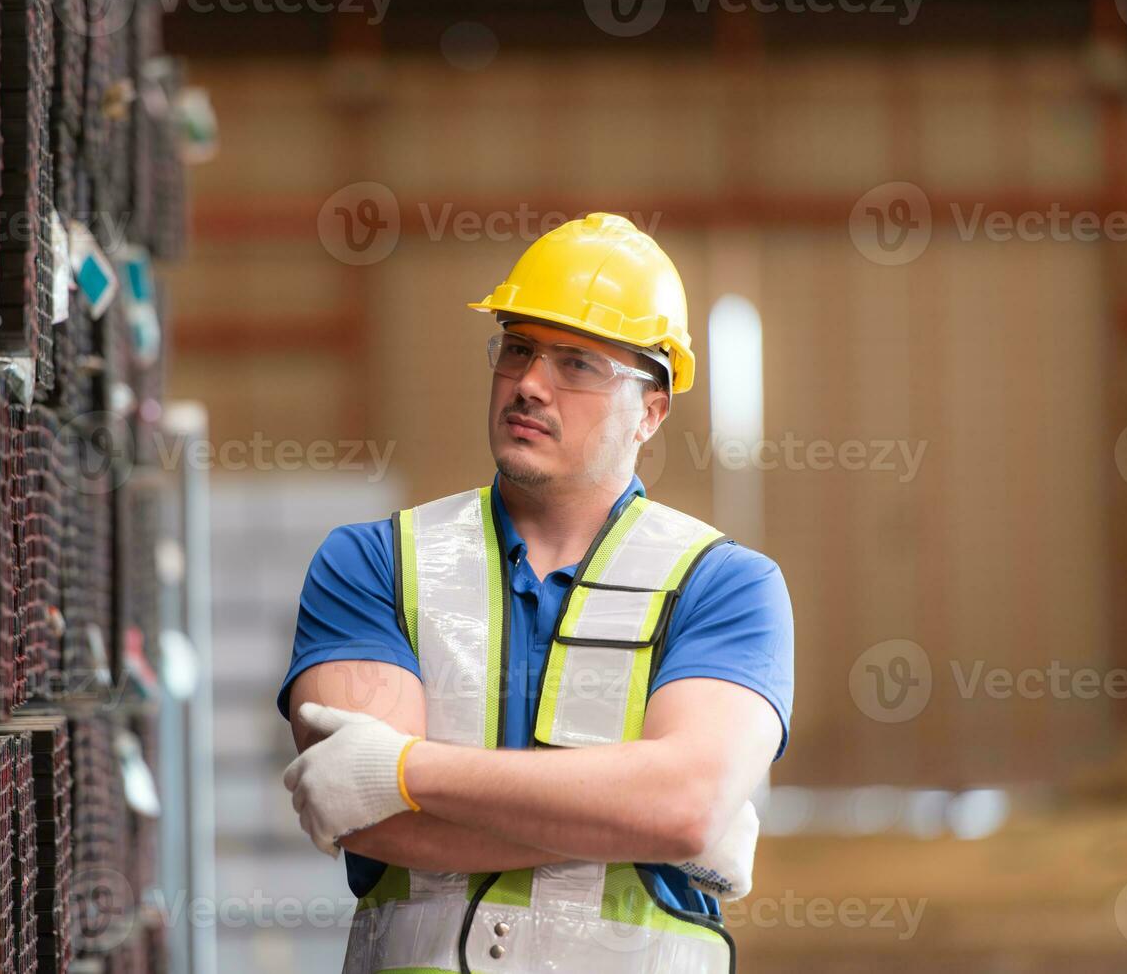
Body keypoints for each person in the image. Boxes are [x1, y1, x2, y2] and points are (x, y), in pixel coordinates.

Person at [279, 213, 794, 974]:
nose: (527, 383)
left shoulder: (725, 586)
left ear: (650, 410)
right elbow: (370, 819)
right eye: (516, 348)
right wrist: (645, 819)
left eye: (577, 364)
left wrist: (402, 769)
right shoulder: (372, 563)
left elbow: (685, 806)